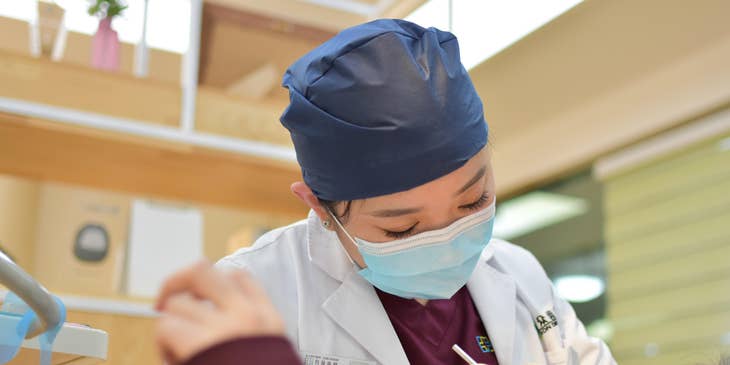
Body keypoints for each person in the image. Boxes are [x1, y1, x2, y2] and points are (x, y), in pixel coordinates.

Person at [156, 18, 616, 365]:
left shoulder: (523, 278)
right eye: (403, 228)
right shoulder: (263, 293)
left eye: (472, 202)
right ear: (319, 207)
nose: (445, 241)